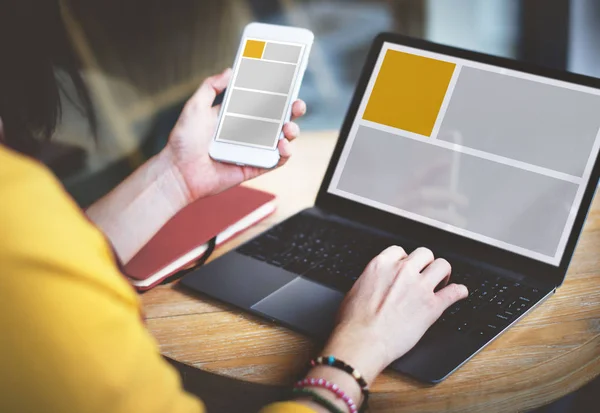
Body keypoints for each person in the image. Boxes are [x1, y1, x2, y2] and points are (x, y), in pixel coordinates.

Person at [0, 2, 468, 412]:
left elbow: (55, 255)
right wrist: (360, 347)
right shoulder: (17, 219)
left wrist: (176, 176)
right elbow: (33, 266)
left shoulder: (21, 209)